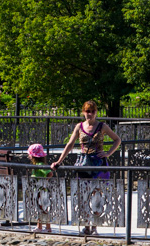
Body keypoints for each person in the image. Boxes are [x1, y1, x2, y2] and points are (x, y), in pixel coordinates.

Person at [50, 101, 122, 236]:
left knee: (97, 195)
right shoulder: (79, 127)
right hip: (84, 163)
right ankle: (86, 225)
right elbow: (70, 144)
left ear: (96, 112)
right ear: (83, 112)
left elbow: (117, 140)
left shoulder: (102, 126)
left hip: (98, 163)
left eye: (93, 111)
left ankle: (94, 226)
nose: (90, 114)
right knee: (84, 194)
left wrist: (108, 153)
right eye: (88, 111)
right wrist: (59, 161)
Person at [27, 143, 52, 234]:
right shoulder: (36, 165)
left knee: (42, 208)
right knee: (41, 208)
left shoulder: (40, 165)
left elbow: (50, 173)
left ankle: (43, 227)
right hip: (38, 190)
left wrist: (44, 181)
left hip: (41, 190)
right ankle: (43, 226)